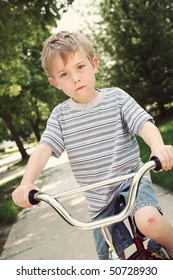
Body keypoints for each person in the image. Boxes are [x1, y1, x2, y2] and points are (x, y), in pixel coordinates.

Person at [12, 31, 173, 260]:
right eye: (65, 74)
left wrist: (158, 148)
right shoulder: (60, 117)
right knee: (108, 258)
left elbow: (144, 125)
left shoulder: (116, 98)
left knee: (149, 220)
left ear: (94, 64)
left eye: (80, 67)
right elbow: (43, 149)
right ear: (55, 82)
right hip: (99, 201)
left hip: (132, 182)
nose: (75, 78)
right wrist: (27, 182)